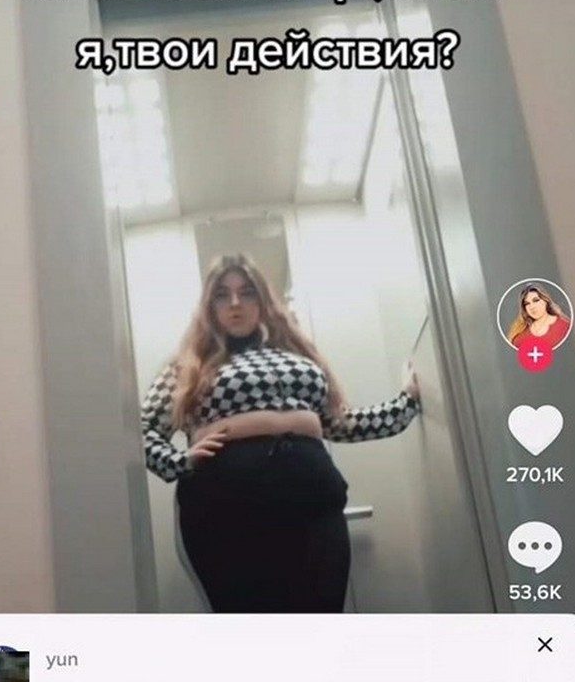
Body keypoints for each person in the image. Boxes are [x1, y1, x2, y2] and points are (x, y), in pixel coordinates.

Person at [141, 254, 421, 613]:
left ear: (263, 300)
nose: (235, 303)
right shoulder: (188, 366)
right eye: (222, 295)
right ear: (209, 307)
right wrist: (178, 462)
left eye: (247, 292)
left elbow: (342, 423)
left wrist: (406, 402)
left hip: (313, 501)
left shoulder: (297, 357)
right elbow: (143, 430)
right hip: (225, 509)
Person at [507, 283, 571, 349]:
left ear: (546, 300)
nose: (532, 307)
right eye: (527, 303)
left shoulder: (564, 326)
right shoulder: (519, 331)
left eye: (536, 300)